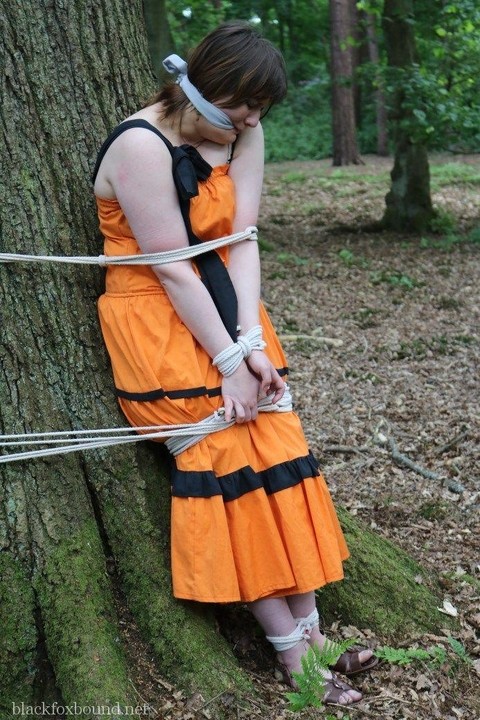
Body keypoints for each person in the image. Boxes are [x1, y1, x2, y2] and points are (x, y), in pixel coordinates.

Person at [93, 21, 377, 705]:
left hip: (233, 311)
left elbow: (243, 240)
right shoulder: (139, 146)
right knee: (229, 469)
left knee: (281, 454)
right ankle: (291, 655)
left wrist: (249, 345)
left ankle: (316, 634)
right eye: (245, 108)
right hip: (160, 323)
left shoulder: (242, 133)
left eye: (260, 111)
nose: (253, 122)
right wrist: (225, 360)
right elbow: (171, 269)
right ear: (207, 89)